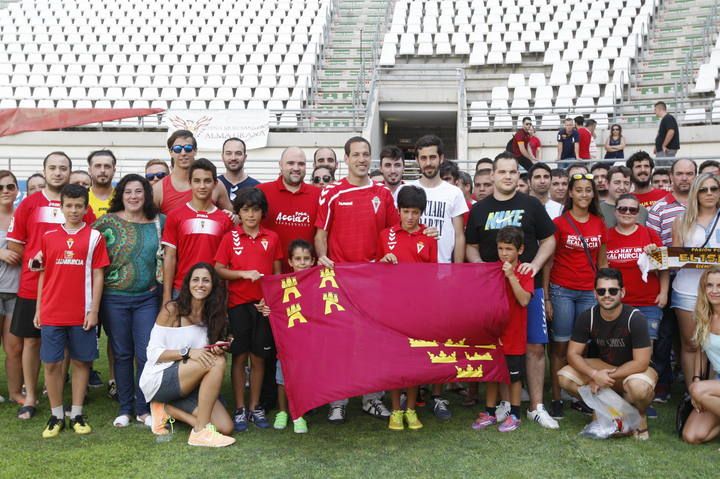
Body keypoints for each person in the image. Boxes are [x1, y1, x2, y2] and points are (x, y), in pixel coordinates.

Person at [465, 152, 559, 430]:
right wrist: (483, 269)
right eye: (502, 172)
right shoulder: (480, 209)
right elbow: (470, 246)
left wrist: (534, 264)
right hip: (493, 292)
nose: (507, 176)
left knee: (534, 347)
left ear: (519, 177)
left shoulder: (530, 204)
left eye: (513, 172)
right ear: (492, 175)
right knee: (500, 348)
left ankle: (536, 407)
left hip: (526, 286)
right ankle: (506, 404)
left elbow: (549, 240)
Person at [315, 136, 399, 423]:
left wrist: (389, 255)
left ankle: (372, 399)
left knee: (374, 340)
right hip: (341, 279)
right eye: (356, 155)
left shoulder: (383, 193)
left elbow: (392, 233)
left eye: (366, 154)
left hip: (375, 280)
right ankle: (338, 400)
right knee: (341, 341)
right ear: (347, 158)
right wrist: (323, 257)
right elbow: (320, 234)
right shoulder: (332, 192)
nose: (362, 159)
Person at [8, 152, 96, 420]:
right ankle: (31, 398)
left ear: (70, 172)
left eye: (63, 168)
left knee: (69, 346)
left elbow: (90, 244)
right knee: (31, 343)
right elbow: (14, 244)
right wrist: (41, 263)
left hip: (72, 289)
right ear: (43, 171)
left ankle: (62, 398)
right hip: (33, 286)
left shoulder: (81, 206)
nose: (58, 172)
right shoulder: (29, 204)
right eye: (53, 168)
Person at [35, 184, 110, 438]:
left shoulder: (94, 237)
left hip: (82, 312)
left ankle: (76, 413)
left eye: (79, 206)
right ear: (61, 206)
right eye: (69, 205)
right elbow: (43, 275)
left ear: (86, 207)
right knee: (52, 363)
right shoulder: (48, 237)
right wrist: (38, 309)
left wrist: (94, 310)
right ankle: (56, 415)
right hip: (52, 311)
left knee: (81, 362)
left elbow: (98, 275)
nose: (74, 210)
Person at [94, 174, 164, 427]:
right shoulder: (105, 223)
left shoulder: (159, 221)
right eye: (128, 192)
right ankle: (124, 408)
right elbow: (83, 245)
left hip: (147, 298)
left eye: (138, 191)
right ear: (121, 195)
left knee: (146, 354)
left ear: (146, 194)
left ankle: (143, 408)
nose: (134, 196)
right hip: (114, 299)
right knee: (122, 354)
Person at [404, 135, 466, 419]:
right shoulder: (406, 189)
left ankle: (438, 396)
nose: (428, 163)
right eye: (423, 157)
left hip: (443, 275)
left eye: (432, 157)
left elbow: (460, 235)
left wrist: (457, 270)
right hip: (412, 278)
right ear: (417, 160)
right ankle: (411, 392)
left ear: (441, 159)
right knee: (411, 339)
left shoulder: (453, 193)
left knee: (442, 339)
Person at [140, 263, 235, 447]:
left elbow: (207, 352)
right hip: (159, 378)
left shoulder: (213, 316)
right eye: (196, 280)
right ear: (188, 284)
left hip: (190, 382)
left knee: (225, 426)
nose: (200, 284)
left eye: (206, 280)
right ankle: (200, 432)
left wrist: (218, 347)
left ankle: (167, 409)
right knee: (217, 362)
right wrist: (188, 352)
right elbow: (152, 354)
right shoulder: (172, 310)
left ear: (213, 286)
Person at [558, 268, 657, 440]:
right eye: (601, 291)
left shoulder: (635, 318)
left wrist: (604, 377)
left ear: (622, 292)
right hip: (604, 368)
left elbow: (641, 362)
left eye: (613, 290)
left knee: (638, 389)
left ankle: (639, 415)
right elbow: (573, 354)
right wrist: (594, 374)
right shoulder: (587, 317)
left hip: (636, 371)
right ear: (594, 294)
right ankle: (610, 410)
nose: (607, 295)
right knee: (564, 377)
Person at [214, 188, 282, 432]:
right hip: (238, 306)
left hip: (263, 308)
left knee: (259, 358)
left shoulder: (272, 237)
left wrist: (272, 301)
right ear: (238, 212)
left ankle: (255, 407)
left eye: (255, 210)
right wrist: (242, 273)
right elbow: (219, 268)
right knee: (240, 357)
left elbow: (276, 274)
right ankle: (240, 408)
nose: (251, 215)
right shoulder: (230, 237)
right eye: (245, 210)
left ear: (262, 212)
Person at [545, 172, 607, 420]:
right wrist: (548, 297)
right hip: (562, 290)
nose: (584, 194)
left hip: (589, 292)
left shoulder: (599, 222)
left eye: (588, 190)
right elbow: (549, 261)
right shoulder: (559, 223)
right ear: (570, 193)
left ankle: (579, 396)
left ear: (593, 194)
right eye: (579, 190)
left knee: (582, 348)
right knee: (560, 345)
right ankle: (557, 398)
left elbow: (602, 261)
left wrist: (601, 291)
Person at [378, 186, 437, 431]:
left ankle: (411, 409)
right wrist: (383, 262)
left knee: (414, 360)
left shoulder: (429, 238)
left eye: (415, 212)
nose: (410, 217)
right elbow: (376, 272)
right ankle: (395, 410)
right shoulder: (386, 235)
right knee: (394, 360)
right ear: (398, 211)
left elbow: (434, 274)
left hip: (418, 309)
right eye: (405, 211)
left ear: (421, 213)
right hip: (392, 308)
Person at [472, 226, 533, 432]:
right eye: (500, 248)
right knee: (492, 374)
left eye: (509, 249)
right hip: (494, 333)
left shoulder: (524, 272)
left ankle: (514, 414)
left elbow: (524, 300)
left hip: (514, 333)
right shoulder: (492, 270)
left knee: (514, 377)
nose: (504, 253)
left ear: (520, 250)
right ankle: (490, 412)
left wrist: (511, 277)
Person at [646, 158, 697, 402]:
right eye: (680, 173)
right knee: (665, 336)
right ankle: (663, 384)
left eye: (689, 173)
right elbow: (653, 248)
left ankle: (695, 384)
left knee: (696, 337)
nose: (684, 178)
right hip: (669, 279)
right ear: (671, 176)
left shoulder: (706, 205)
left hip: (700, 281)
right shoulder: (659, 208)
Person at [161, 159, 234, 305]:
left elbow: (228, 263)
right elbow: (170, 257)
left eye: (207, 181)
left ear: (215, 184)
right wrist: (166, 296)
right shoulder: (175, 216)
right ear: (190, 183)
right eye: (197, 181)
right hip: (181, 288)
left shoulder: (225, 219)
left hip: (214, 290)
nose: (202, 186)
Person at [671, 173, 720, 390]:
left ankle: (711, 392)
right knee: (691, 344)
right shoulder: (681, 220)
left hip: (718, 290)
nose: (709, 193)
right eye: (704, 189)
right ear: (696, 193)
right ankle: (693, 394)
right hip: (687, 289)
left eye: (714, 188)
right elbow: (674, 258)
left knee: (712, 344)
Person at [268, 240, 315, 433]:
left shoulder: (316, 282)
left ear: (313, 261)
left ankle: (299, 414)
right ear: (290, 261)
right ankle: (283, 412)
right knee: (283, 377)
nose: (302, 263)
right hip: (287, 341)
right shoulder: (283, 283)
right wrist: (267, 309)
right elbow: (274, 306)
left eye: (306, 259)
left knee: (302, 377)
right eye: (298, 259)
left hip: (308, 342)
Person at [257, 147, 320, 268]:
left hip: (306, 274)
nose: (296, 168)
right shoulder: (262, 191)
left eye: (301, 164)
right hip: (270, 274)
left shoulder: (318, 195)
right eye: (290, 163)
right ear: (280, 165)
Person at [152, 130, 232, 214]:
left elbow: (233, 218)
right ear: (170, 152)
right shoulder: (158, 189)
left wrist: (233, 216)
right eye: (177, 149)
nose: (183, 153)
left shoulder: (215, 185)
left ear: (195, 151)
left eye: (188, 148)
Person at [682, 266, 720, 444]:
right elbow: (700, 350)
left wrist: (698, 390)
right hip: (717, 383)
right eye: (709, 285)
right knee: (691, 436)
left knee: (697, 390)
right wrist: (697, 378)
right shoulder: (704, 315)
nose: (714, 291)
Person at [0, 171, 21, 405]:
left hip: (17, 291)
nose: (5, 191)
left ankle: (16, 392)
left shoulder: (21, 215)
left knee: (14, 348)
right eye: (0, 187)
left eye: (9, 186)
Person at [218, 138, 259, 202]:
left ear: (245, 157)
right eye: (228, 153)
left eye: (238, 153)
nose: (233, 158)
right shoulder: (214, 184)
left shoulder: (256, 187)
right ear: (222, 157)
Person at [87, 150, 116, 218]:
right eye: (98, 166)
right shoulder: (81, 197)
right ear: (90, 170)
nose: (102, 170)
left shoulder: (123, 197)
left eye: (107, 166)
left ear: (114, 171)